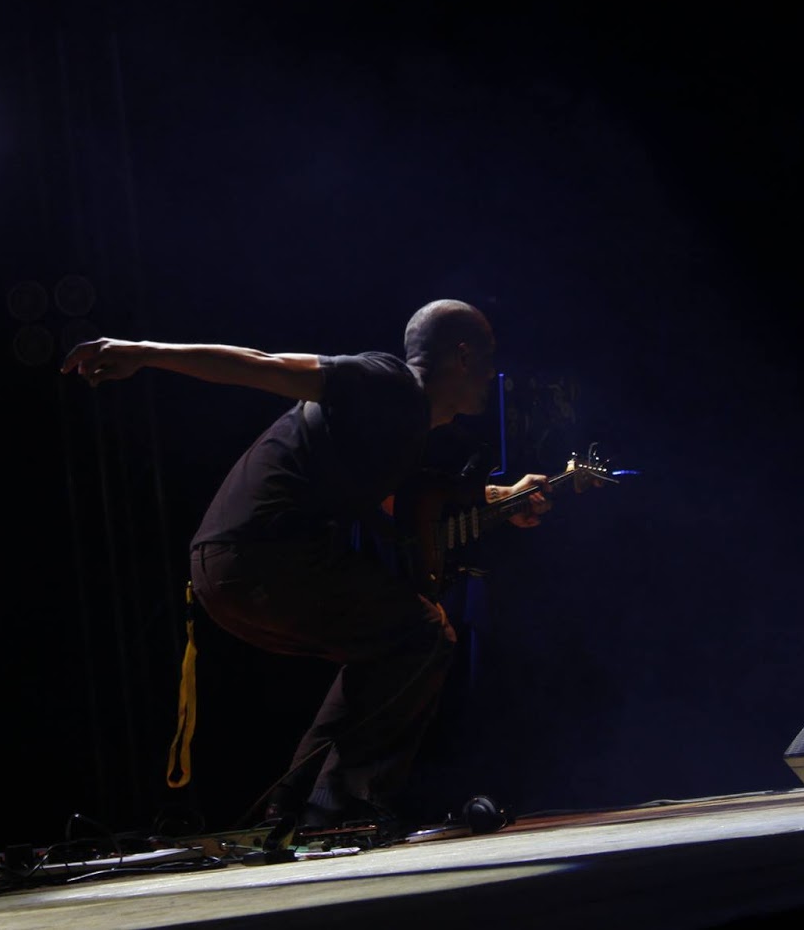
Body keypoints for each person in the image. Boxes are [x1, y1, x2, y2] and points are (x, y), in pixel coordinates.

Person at [59, 299, 552, 837]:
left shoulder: (401, 428)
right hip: (261, 557)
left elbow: (408, 509)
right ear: (461, 356)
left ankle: (294, 808)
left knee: (391, 643)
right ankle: (339, 807)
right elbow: (262, 364)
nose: (491, 374)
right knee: (423, 633)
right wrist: (145, 354)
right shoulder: (385, 382)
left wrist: (500, 498)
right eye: (486, 358)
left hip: (234, 568)